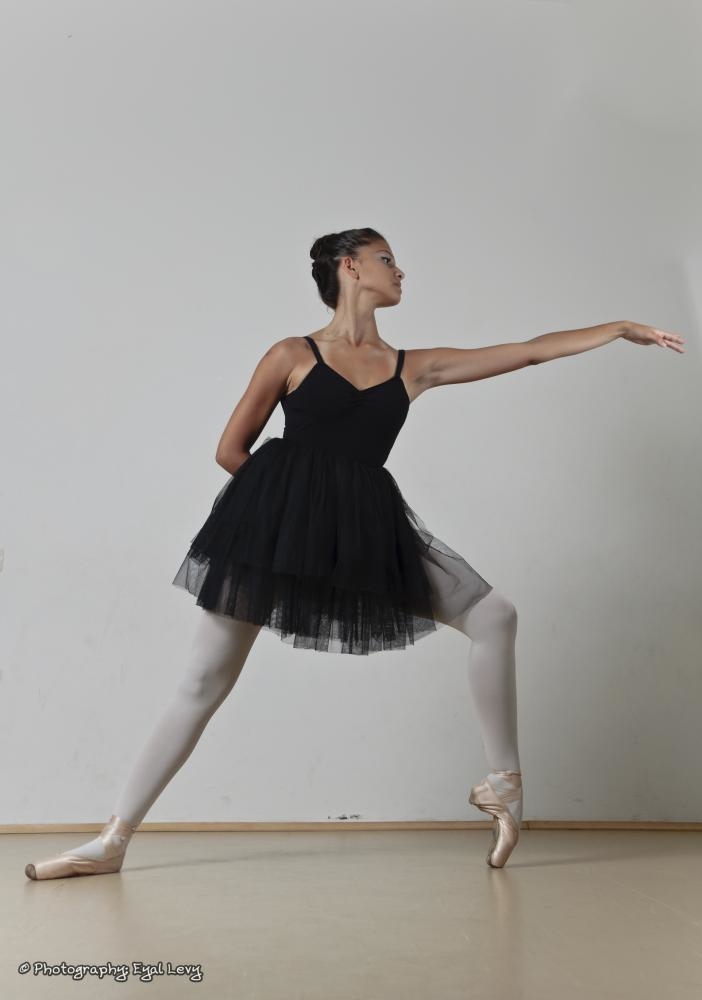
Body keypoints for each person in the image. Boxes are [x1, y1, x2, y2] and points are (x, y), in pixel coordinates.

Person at [25, 228, 684, 880]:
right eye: (386, 259)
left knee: (494, 615)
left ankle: (504, 786)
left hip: (367, 531)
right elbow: (231, 450)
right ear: (350, 267)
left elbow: (529, 351)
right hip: (273, 531)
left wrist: (617, 328)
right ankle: (112, 840)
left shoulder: (414, 366)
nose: (400, 271)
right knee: (203, 681)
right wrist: (291, 519)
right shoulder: (292, 353)